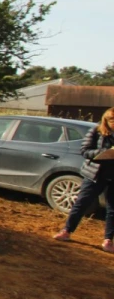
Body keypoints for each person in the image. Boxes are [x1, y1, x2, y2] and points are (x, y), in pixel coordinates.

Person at [54, 107, 114, 250]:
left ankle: (108, 240)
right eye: (112, 120)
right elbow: (84, 151)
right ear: (106, 120)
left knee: (112, 210)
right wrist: (104, 152)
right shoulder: (96, 131)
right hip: (95, 174)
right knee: (81, 204)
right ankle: (67, 231)